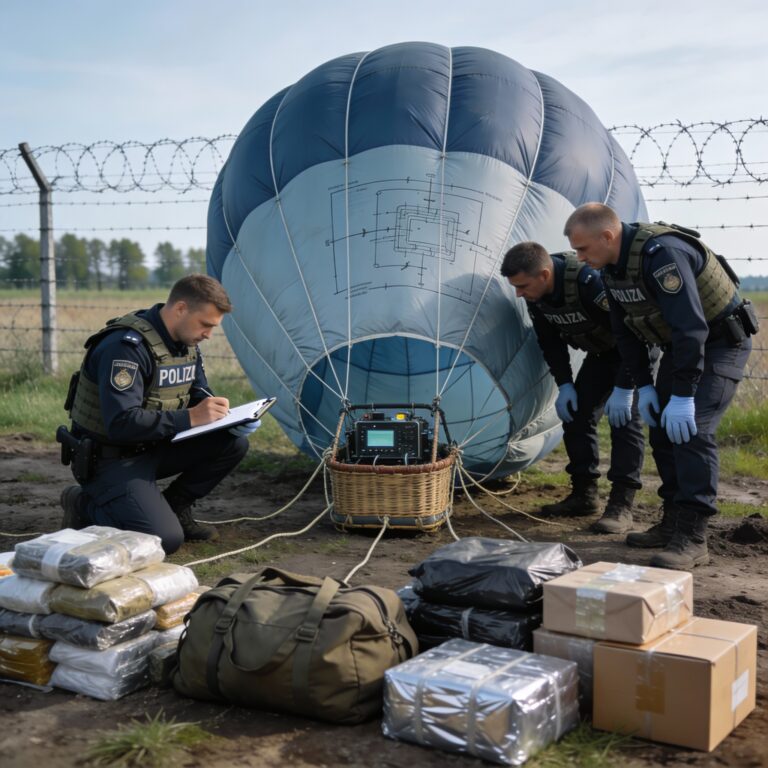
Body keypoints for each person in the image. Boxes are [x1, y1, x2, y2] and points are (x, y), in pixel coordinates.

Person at [564, 203, 756, 568]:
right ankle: (671, 522)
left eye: (583, 249)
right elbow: (625, 332)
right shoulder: (611, 267)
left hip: (719, 343)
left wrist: (682, 395)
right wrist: (642, 387)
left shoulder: (661, 254)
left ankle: (694, 535)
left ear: (607, 236)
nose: (579, 257)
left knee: (691, 429)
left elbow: (691, 328)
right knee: (663, 431)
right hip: (682, 347)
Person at [58, 274, 260, 554]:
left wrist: (224, 415)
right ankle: (82, 504)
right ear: (180, 309)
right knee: (164, 540)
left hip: (154, 446)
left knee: (233, 442)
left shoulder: (185, 342)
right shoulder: (125, 348)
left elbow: (197, 391)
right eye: (205, 325)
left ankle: (175, 508)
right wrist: (192, 417)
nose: (208, 334)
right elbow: (121, 423)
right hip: (110, 459)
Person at [501, 242, 647, 533]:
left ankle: (621, 504)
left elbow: (634, 333)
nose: (518, 293)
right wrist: (565, 384)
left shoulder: (589, 282)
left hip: (635, 353)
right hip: (603, 354)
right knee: (577, 416)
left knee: (625, 422)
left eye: (523, 285)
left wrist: (626, 388)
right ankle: (584, 495)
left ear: (544, 274)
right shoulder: (537, 295)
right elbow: (550, 343)